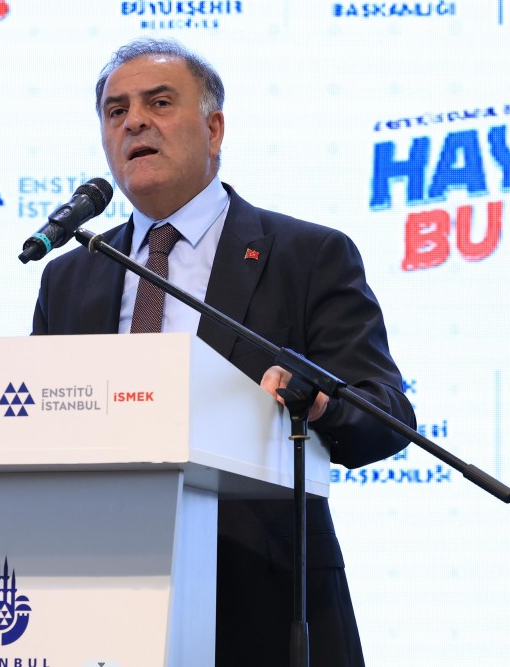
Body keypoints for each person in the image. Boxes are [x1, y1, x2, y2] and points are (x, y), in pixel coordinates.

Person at [31, 38, 415, 667]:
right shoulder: (71, 277)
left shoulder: (306, 256)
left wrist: (321, 404)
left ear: (213, 129)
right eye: (116, 111)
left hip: (263, 599)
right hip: (104, 589)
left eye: (159, 103)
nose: (134, 122)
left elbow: (388, 416)